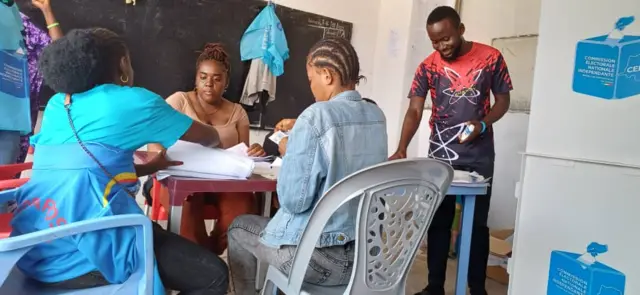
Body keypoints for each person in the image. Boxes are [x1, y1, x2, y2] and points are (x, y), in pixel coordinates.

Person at [3, 23, 230, 295]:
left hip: (33, 248)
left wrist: (147, 167)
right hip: (86, 255)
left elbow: (81, 173)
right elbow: (208, 138)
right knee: (214, 275)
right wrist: (218, 135)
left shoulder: (58, 104)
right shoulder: (135, 102)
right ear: (123, 65)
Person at [227, 37, 388, 295]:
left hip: (319, 260)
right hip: (369, 259)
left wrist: (290, 152)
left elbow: (294, 201)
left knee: (238, 228)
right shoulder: (377, 116)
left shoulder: (315, 115)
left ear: (327, 75)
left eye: (311, 79)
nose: (311, 87)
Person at [389, 6, 512, 295]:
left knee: (477, 225)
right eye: (435, 41)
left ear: (461, 29)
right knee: (439, 222)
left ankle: (477, 288)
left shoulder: (490, 58)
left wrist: (483, 125)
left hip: (479, 156)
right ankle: (435, 287)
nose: (441, 46)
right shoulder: (428, 66)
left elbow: (503, 101)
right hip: (440, 157)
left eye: (446, 39)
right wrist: (401, 147)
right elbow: (414, 110)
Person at [147, 43, 265, 254]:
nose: (209, 83)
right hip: (182, 180)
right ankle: (199, 260)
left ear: (226, 82)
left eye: (217, 79)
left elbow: (243, 153)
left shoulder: (238, 112)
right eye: (203, 77)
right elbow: (153, 140)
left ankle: (211, 253)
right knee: (187, 210)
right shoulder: (179, 101)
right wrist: (160, 156)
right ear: (196, 79)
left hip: (222, 184)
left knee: (244, 205)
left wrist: (254, 151)